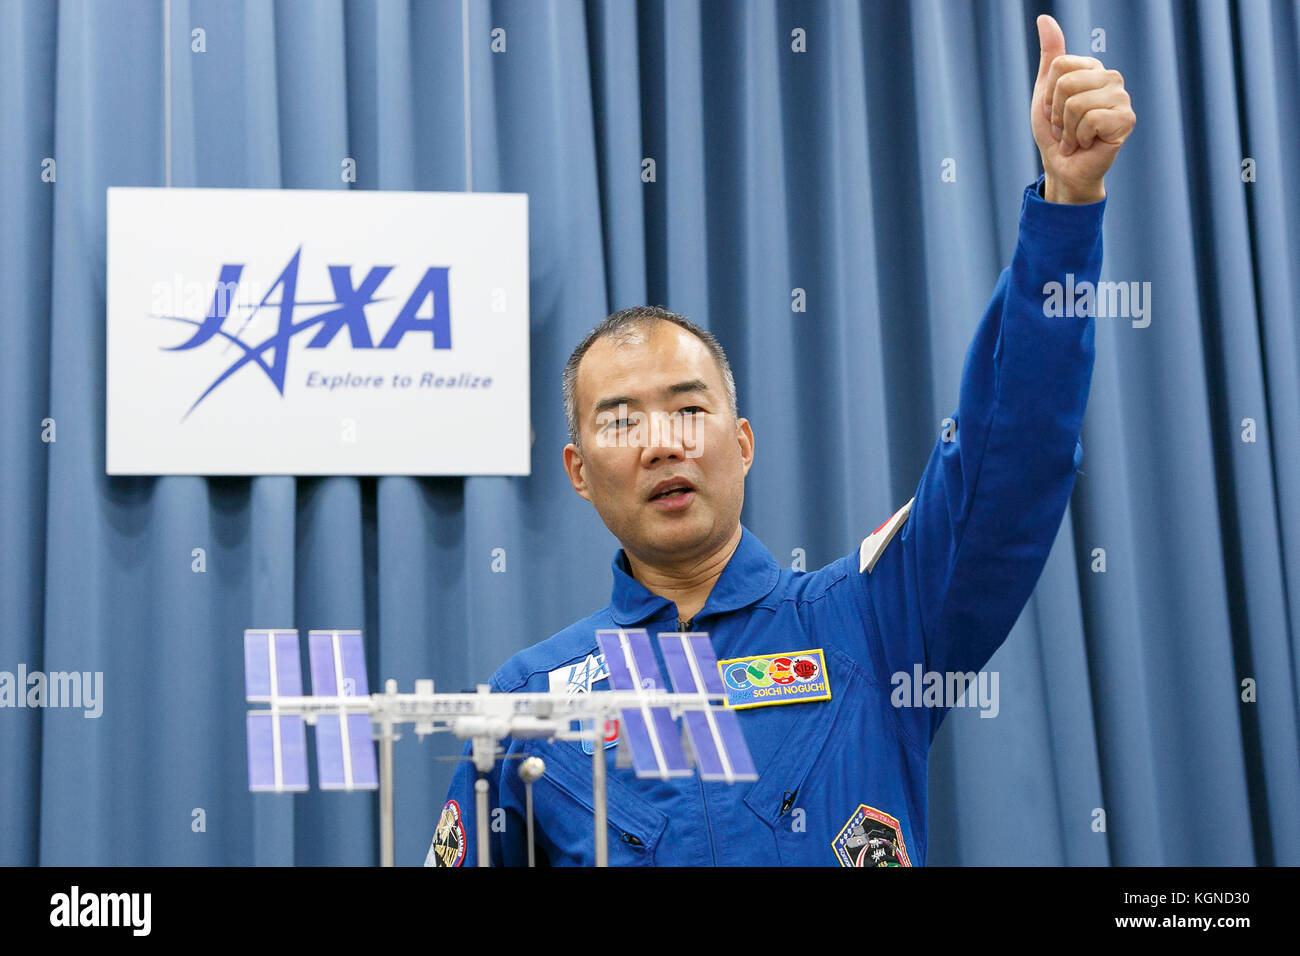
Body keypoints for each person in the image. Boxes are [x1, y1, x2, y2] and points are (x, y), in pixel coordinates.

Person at [425, 14, 1135, 867]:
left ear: (745, 441)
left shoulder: (874, 619)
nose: (661, 444)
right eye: (620, 421)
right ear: (578, 472)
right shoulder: (528, 704)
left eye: (690, 409)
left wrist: (1066, 210)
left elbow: (1009, 459)